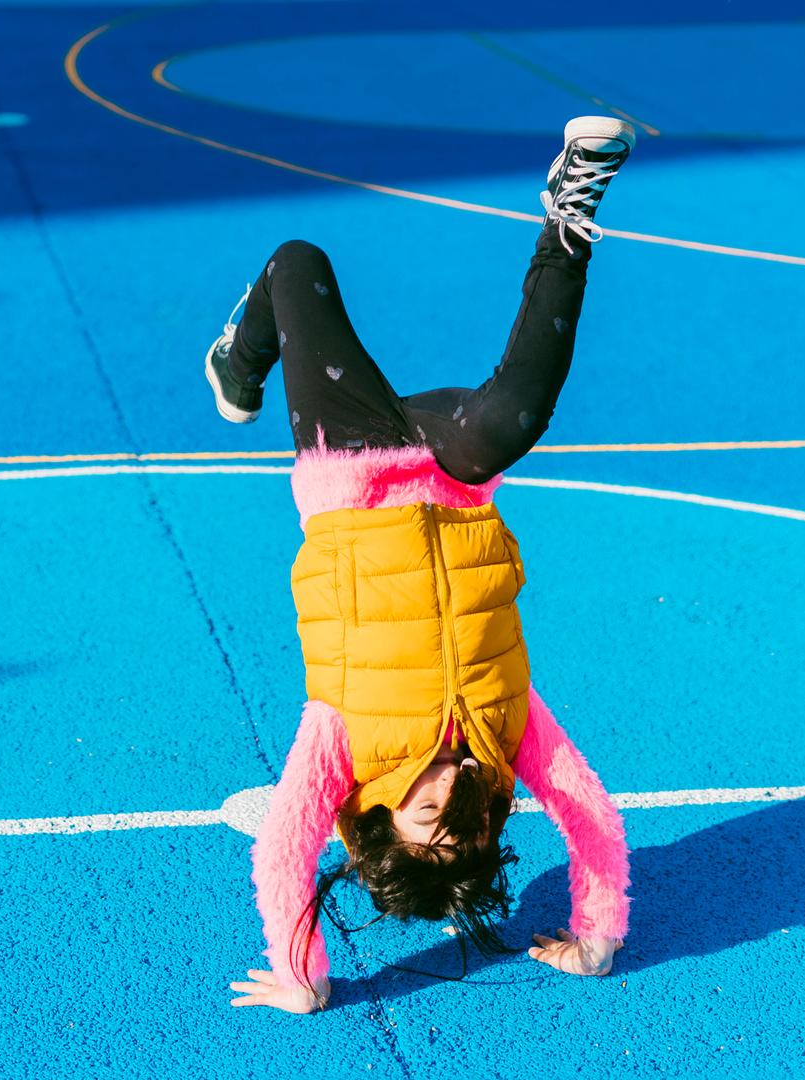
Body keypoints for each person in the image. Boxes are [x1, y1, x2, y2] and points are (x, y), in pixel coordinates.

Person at [202, 118, 638, 1013]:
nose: (451, 806)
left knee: (295, 261)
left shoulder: (344, 748)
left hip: (354, 468)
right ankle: (571, 210)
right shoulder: (506, 742)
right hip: (449, 469)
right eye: (464, 830)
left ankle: (236, 362)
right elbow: (590, 813)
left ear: (382, 820)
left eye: (426, 822)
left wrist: (304, 976)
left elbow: (283, 849)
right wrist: (597, 933)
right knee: (513, 420)